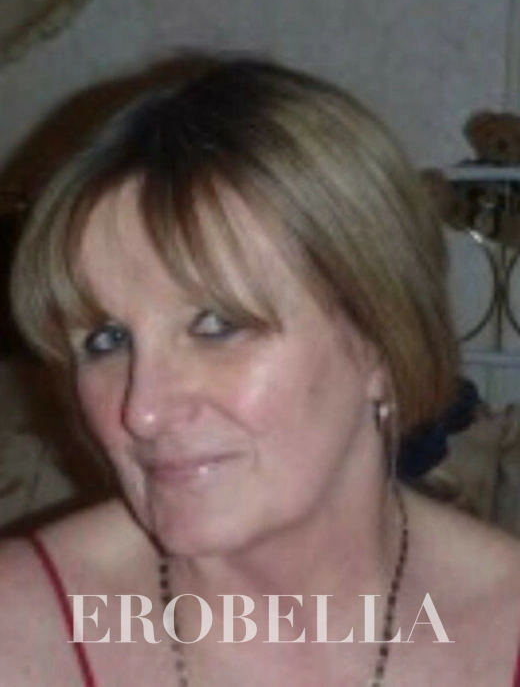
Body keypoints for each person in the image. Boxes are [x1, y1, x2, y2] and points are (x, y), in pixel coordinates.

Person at [1, 55, 519, 687]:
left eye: (218, 325)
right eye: (108, 341)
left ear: (380, 341)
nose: (144, 411)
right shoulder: (20, 635)